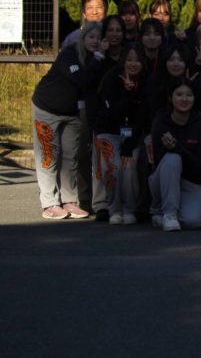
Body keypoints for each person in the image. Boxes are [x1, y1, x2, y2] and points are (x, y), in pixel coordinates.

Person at [32, 22, 109, 219]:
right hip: (47, 108)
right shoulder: (70, 53)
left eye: (99, 38)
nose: (95, 42)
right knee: (49, 155)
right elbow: (82, 79)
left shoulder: (97, 59)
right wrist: (100, 56)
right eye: (91, 37)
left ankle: (69, 200)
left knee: (70, 157)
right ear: (83, 38)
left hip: (72, 113)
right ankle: (49, 203)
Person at [93, 42, 149, 224]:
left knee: (129, 166)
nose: (133, 64)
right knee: (114, 166)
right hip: (108, 131)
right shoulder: (111, 78)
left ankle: (129, 209)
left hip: (131, 133)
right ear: (123, 61)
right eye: (129, 60)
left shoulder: (145, 81)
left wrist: (131, 141)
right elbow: (110, 114)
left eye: (137, 60)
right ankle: (114, 209)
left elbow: (142, 115)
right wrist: (126, 94)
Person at [148, 79, 201, 231]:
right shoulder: (160, 122)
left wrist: (178, 147)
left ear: (194, 98)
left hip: (190, 181)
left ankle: (162, 216)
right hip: (164, 177)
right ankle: (168, 213)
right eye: (179, 94)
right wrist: (171, 150)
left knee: (193, 221)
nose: (184, 99)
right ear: (171, 97)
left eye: (189, 95)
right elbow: (157, 161)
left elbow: (200, 164)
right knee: (172, 158)